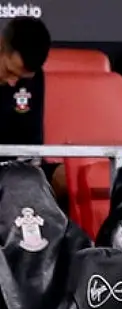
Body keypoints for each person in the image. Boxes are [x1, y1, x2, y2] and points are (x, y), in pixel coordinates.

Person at [0, 17, 67, 203]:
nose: (14, 82)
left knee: (68, 178)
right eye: (10, 71)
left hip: (22, 167)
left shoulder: (34, 79)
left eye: (21, 77)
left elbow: (32, 138)